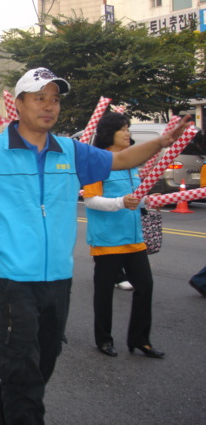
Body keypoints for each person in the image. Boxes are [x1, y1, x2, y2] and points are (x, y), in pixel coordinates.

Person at [0, 67, 191, 425]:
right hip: (12, 283)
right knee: (23, 373)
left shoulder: (71, 151)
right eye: (40, 98)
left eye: (55, 99)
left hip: (58, 280)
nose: (49, 106)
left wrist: (162, 142)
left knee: (41, 365)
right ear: (19, 105)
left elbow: (119, 160)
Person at [83, 112, 164, 359]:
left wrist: (147, 202)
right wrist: (121, 202)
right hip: (107, 241)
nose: (128, 133)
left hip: (134, 239)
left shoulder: (132, 164)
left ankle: (140, 339)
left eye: (128, 128)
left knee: (146, 286)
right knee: (104, 292)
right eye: (123, 129)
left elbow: (135, 197)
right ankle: (104, 339)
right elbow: (91, 200)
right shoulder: (98, 162)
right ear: (110, 133)